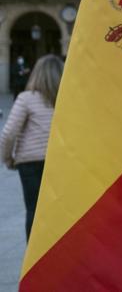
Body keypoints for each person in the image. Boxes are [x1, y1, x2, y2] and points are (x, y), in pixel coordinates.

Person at [1, 54, 61, 240]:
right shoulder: (68, 99)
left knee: (34, 210)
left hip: (30, 163)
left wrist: (8, 159)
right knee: (59, 212)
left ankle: (36, 263)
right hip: (60, 161)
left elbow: (8, 133)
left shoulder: (26, 98)